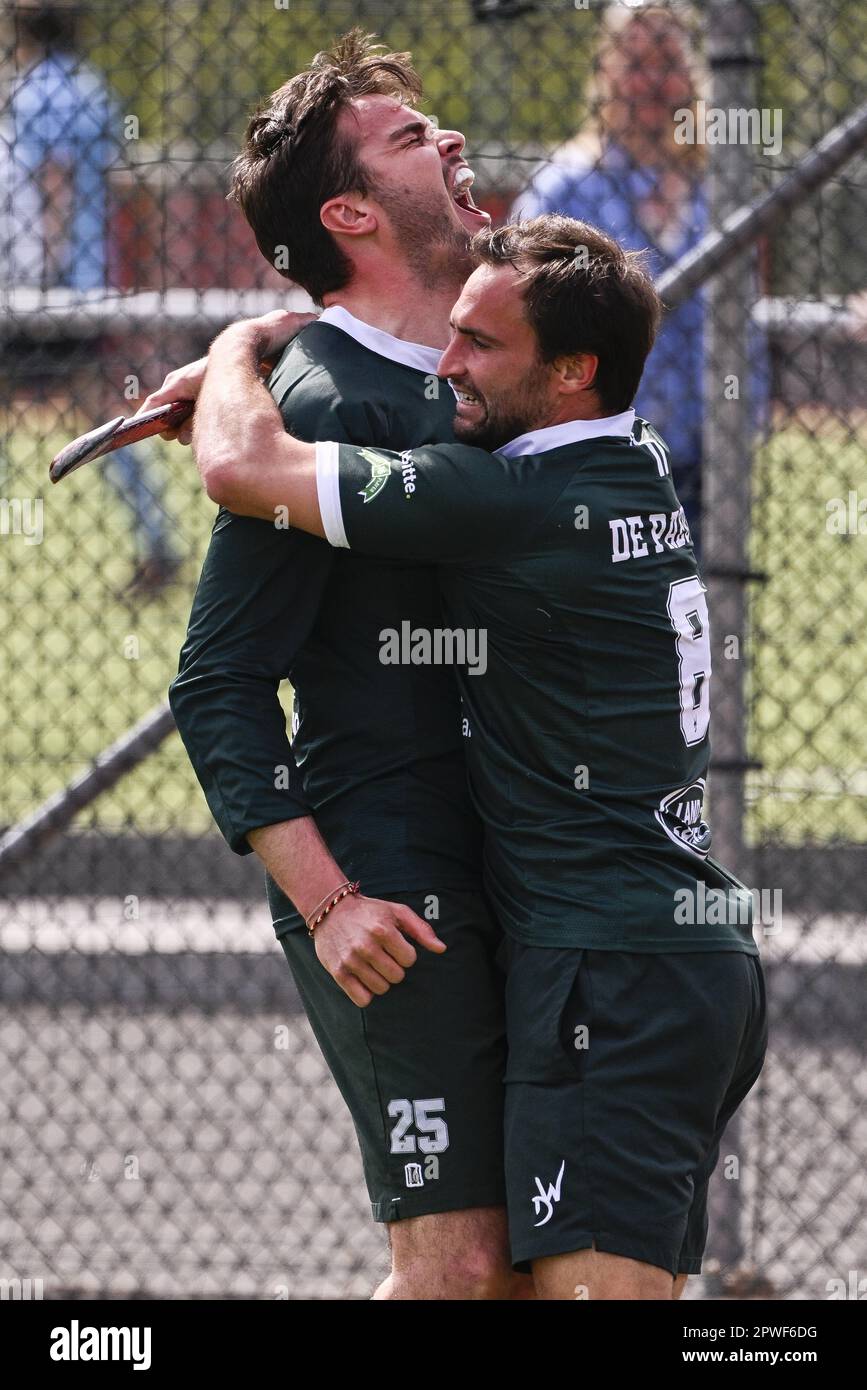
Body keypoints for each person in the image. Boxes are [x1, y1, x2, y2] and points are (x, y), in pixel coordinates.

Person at [191, 214, 769, 1301]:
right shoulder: (626, 454)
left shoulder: (510, 502)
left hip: (615, 974)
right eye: (449, 333)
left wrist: (238, 350)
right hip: (658, 960)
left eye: (479, 348)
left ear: (572, 372)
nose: (446, 367)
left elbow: (240, 463)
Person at [141, 31, 530, 1301]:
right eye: (413, 136)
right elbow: (216, 682)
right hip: (394, 883)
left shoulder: (500, 367)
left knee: (552, 1263)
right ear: (352, 211)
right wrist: (327, 899)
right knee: (455, 1266)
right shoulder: (316, 404)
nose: (452, 139)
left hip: (532, 862)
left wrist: (244, 342)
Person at [512, 4, 719, 549]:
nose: (653, 81)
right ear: (606, 72)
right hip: (595, 454)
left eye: (668, 61)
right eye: (636, 62)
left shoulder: (715, 186)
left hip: (706, 458)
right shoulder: (566, 187)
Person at [6, 0, 178, 594]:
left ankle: (157, 543)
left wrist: (45, 275)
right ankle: (157, 540)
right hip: (87, 274)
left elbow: (52, 183)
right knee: (100, 409)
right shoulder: (92, 87)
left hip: (43, 282)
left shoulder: (34, 90)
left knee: (87, 405)